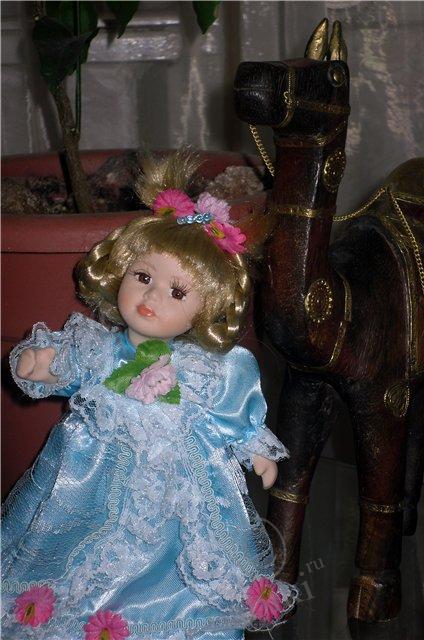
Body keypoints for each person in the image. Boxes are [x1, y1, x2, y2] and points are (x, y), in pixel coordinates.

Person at [1, 150, 299, 640]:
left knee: (186, 552)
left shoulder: (208, 369)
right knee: (75, 547)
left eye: (178, 293)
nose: (152, 297)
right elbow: (60, 365)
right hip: (92, 477)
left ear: (206, 310)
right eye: (143, 277)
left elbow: (232, 413)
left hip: (178, 491)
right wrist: (41, 363)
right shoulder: (97, 347)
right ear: (121, 271)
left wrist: (255, 450)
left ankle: (175, 617)